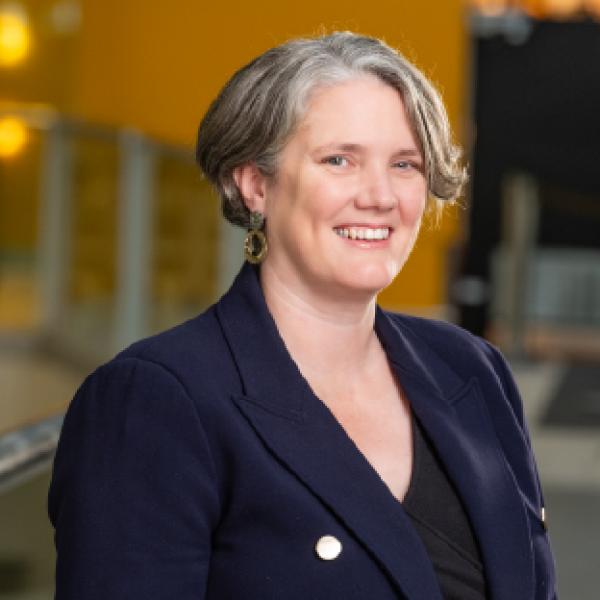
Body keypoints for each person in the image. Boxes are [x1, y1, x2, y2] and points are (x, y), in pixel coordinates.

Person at [48, 32, 557, 599]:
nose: (380, 196)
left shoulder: (471, 367)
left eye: (405, 164)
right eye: (339, 160)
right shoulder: (156, 399)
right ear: (254, 183)